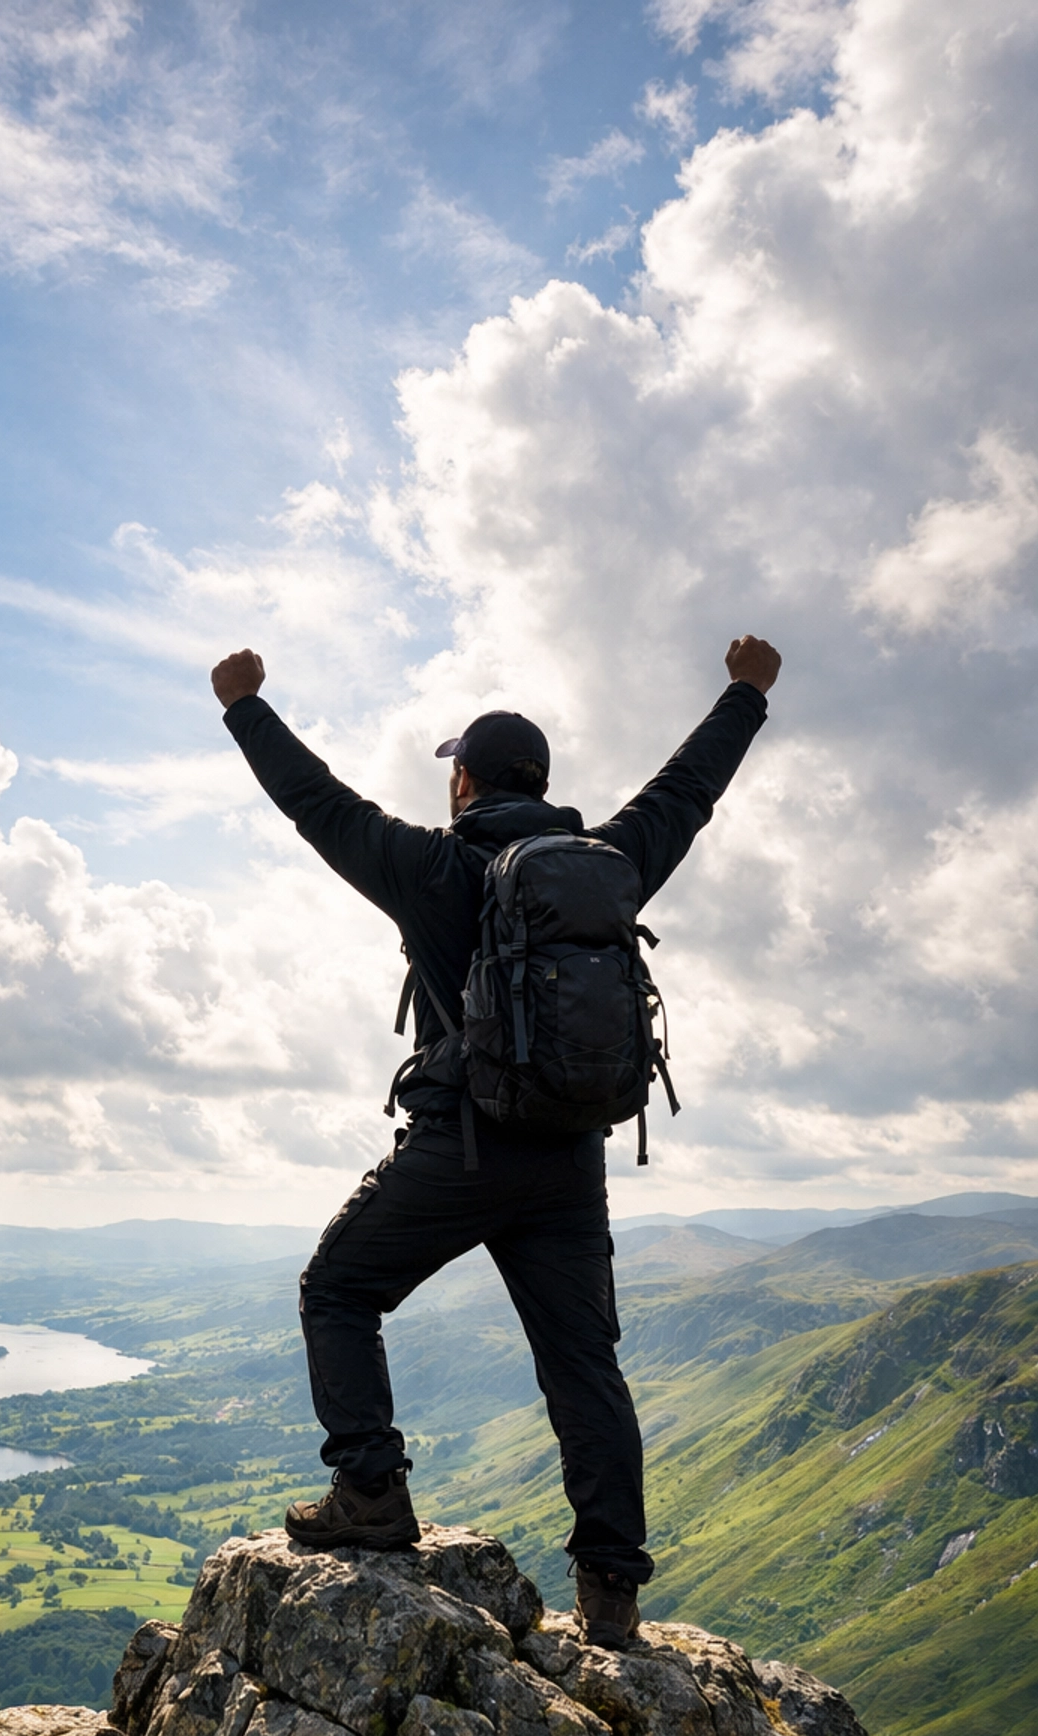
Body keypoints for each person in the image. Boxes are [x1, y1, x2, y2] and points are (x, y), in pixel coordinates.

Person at [211, 634, 781, 1649]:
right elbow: (688, 789)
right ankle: (610, 1595)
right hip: (568, 1160)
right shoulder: (612, 866)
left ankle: (372, 1495)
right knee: (584, 1369)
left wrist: (247, 708)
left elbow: (320, 805)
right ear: (543, 785)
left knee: (337, 1289)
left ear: (463, 783)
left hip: (460, 1151)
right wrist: (743, 694)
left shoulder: (434, 869)